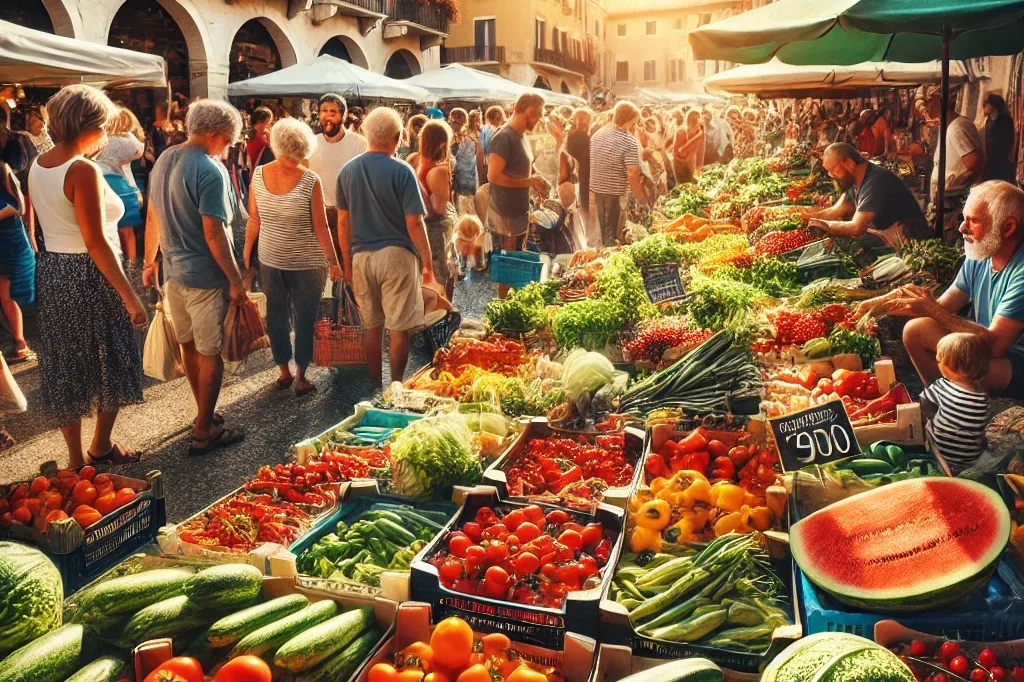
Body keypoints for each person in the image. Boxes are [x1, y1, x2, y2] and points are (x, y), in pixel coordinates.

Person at [27, 84, 148, 468]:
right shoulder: (82, 169)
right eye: (105, 127)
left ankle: (77, 460)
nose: (107, 135)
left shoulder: (39, 162)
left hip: (55, 269)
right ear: (91, 126)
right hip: (91, 271)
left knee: (66, 364)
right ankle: (99, 446)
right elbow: (96, 243)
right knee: (112, 359)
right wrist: (131, 297)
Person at [143, 99, 247, 456]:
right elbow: (214, 232)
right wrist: (236, 280)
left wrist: (148, 261)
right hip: (203, 275)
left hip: (172, 271)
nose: (229, 148)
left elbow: (153, 216)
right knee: (210, 351)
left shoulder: (165, 159)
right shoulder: (209, 168)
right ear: (217, 134)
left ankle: (203, 410)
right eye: (229, 141)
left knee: (188, 345)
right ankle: (204, 430)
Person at [893, 181, 1024, 399]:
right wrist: (884, 305)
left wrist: (932, 309)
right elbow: (945, 306)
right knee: (916, 330)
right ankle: (941, 404)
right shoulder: (982, 253)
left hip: (1013, 362)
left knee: (959, 359)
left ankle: (962, 408)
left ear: (1008, 227)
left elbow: (996, 347)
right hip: (983, 349)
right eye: (965, 218)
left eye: (973, 221)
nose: (962, 227)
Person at [336, 107, 434, 394]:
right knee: (398, 326)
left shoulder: (348, 170)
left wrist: (346, 263)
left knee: (372, 326)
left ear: (367, 135)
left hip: (361, 257)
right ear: (396, 137)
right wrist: (428, 262)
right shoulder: (402, 170)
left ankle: (376, 388)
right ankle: (396, 386)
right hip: (397, 255)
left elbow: (343, 223)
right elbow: (415, 223)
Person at [245, 118, 342, 396]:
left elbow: (254, 219)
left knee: (276, 315)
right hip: (308, 263)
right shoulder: (310, 179)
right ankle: (301, 376)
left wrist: (246, 255)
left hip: (270, 258)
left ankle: (283, 372)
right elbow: (321, 226)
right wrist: (334, 263)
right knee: (305, 317)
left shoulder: (260, 174)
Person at [806, 143, 931, 247]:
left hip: (910, 241)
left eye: (833, 170)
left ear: (849, 164)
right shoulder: (854, 180)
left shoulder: (876, 180)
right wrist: (803, 217)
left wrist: (824, 226)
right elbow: (835, 211)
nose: (831, 175)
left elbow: (857, 227)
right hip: (888, 234)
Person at [486, 92, 549, 298]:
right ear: (528, 111)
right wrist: (528, 182)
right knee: (508, 264)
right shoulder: (504, 137)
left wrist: (536, 180)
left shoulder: (522, 137)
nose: (539, 118)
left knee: (516, 264)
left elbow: (522, 171)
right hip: (505, 213)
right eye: (538, 114)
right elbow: (493, 176)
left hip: (518, 210)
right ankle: (504, 309)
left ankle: (512, 305)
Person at [920, 333, 991, 475]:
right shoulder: (984, 398)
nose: (938, 363)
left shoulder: (941, 386)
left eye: (940, 361)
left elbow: (923, 409)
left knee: (926, 421)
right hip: (969, 461)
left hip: (940, 455)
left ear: (961, 370)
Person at [307, 93, 368, 245]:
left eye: (333, 112)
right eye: (323, 111)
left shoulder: (359, 143)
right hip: (319, 216)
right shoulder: (310, 144)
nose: (328, 116)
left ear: (344, 114)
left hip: (350, 214)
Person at [589, 100, 647, 248]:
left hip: (597, 193)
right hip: (614, 195)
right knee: (613, 238)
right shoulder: (628, 140)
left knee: (602, 235)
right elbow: (633, 173)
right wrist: (641, 199)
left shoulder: (597, 134)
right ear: (631, 119)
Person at [96, 106, 146, 267]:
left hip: (102, 182)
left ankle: (115, 265)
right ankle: (131, 267)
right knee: (127, 231)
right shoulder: (128, 139)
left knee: (109, 229)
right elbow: (139, 150)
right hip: (124, 185)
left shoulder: (100, 138)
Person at [417, 120, 458, 301]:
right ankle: (443, 316)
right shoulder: (439, 170)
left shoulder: (415, 161)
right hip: (436, 230)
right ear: (443, 144)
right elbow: (438, 208)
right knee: (440, 274)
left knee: (425, 275)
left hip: (419, 227)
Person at [0, 160, 35, 362]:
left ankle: (19, 343)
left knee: (8, 292)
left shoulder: (3, 167)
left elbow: (18, 206)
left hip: (8, 237)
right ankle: (17, 343)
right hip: (9, 236)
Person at [930, 95, 984, 202]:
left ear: (937, 104)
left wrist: (953, 181)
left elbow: (973, 162)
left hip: (952, 196)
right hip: (948, 194)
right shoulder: (953, 125)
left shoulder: (956, 129)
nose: (926, 109)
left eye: (927, 103)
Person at [563, 107, 593, 246]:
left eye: (586, 119)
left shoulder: (571, 135)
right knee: (582, 217)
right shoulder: (580, 137)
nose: (584, 122)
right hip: (580, 180)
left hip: (575, 180)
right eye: (582, 119)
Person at [449, 108, 483, 217]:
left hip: (466, 183)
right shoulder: (454, 136)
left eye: (454, 122)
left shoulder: (468, 138)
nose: (452, 124)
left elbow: (467, 164)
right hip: (459, 182)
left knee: (465, 213)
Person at [981, 94, 1016, 184]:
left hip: (1000, 164)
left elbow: (1005, 143)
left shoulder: (1004, 121)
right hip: (990, 163)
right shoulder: (988, 120)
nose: (985, 109)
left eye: (988, 106)